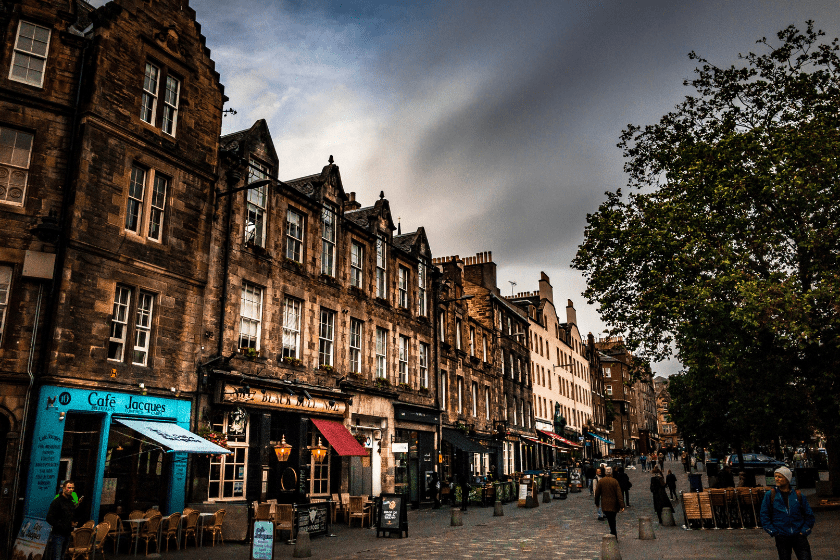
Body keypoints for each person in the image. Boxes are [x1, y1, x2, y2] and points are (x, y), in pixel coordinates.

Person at [759, 467, 815, 560]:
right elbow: (764, 515)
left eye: (780, 477)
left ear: (787, 479)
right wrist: (774, 532)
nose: (777, 479)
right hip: (781, 536)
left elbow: (809, 515)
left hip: (799, 535)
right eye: (775, 476)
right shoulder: (770, 495)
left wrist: (804, 531)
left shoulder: (798, 495)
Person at [45, 480, 79, 560]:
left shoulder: (71, 502)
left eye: (72, 488)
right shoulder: (57, 502)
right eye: (69, 488)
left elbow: (71, 515)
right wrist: (60, 525)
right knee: (57, 557)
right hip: (58, 534)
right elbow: (49, 518)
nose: (70, 490)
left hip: (67, 533)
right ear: (63, 488)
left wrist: (73, 522)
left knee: (62, 556)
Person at [594, 466, 625, 539]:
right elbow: (619, 495)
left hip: (605, 504)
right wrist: (622, 505)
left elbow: (597, 493)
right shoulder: (614, 481)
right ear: (611, 472)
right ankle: (613, 533)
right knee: (612, 519)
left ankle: (613, 532)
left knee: (610, 520)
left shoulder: (601, 481)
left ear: (605, 472)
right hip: (614, 504)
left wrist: (597, 503)